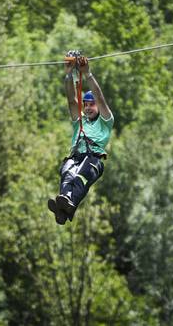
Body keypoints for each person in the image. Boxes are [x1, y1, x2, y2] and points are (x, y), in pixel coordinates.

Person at [48, 52, 114, 225]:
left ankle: (70, 204)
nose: (88, 107)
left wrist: (87, 74)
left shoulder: (106, 121)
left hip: (93, 160)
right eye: (86, 105)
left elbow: (100, 97)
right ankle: (63, 208)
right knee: (67, 171)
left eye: (92, 104)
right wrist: (69, 74)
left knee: (80, 175)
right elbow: (71, 100)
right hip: (76, 156)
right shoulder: (80, 121)